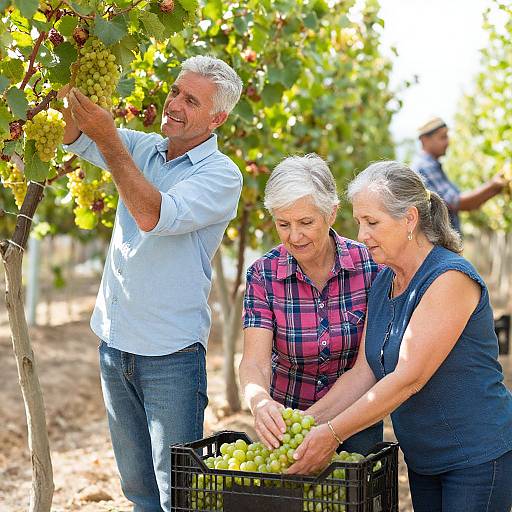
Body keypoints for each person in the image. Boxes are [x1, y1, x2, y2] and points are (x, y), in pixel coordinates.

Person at [61, 56, 243, 512]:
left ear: (217, 118)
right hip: (115, 344)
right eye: (176, 91)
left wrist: (108, 137)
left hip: (170, 357)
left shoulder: (220, 175)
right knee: (138, 490)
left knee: (177, 495)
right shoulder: (145, 147)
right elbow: (72, 136)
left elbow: (151, 215)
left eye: (191, 100)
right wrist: (67, 76)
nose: (174, 103)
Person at [287, 161, 512, 512]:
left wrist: (331, 435)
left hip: (476, 457)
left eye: (372, 222)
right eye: (359, 222)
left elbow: (409, 378)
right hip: (425, 459)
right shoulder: (383, 282)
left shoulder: (449, 278)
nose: (362, 235)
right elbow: (363, 373)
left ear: (409, 219)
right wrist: (303, 426)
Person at [239, 154, 383, 455]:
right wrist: (260, 401)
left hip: (355, 423)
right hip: (285, 426)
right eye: (283, 223)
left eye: (306, 222)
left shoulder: (371, 266)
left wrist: (309, 422)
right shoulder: (263, 275)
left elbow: (368, 364)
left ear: (331, 214)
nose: (294, 236)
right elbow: (254, 362)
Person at [411, 116, 507, 233]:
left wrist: (495, 188)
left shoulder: (430, 165)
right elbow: (457, 203)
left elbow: (462, 203)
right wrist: (493, 186)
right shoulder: (426, 166)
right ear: (424, 140)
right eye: (442, 137)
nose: (447, 142)